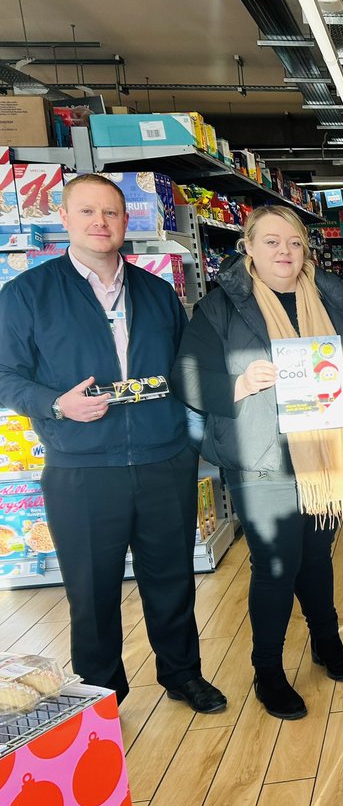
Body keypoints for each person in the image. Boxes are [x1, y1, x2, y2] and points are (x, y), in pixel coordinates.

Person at [0, 173, 224, 712]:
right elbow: (5, 374)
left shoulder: (158, 293)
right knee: (91, 591)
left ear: (127, 221)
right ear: (65, 219)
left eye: (111, 213)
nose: (100, 223)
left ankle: (182, 674)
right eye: (88, 213)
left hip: (162, 459)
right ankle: (102, 695)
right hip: (81, 468)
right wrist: (56, 403)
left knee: (171, 578)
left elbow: (183, 370)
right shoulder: (27, 294)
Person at [173, 206, 343, 720]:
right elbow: (187, 375)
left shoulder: (332, 295)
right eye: (271, 242)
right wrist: (239, 383)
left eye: (294, 243)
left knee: (317, 557)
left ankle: (326, 643)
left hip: (325, 453)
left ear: (306, 248)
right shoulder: (221, 306)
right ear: (248, 248)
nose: (284, 252)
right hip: (261, 456)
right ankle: (268, 671)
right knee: (275, 568)